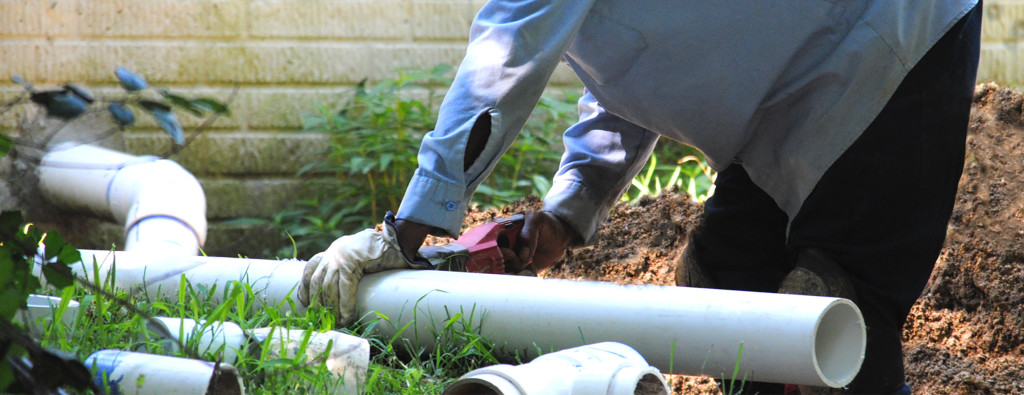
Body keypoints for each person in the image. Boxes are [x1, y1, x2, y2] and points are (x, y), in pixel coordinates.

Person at [299, 1, 982, 393]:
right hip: (797, 91)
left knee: (834, 301)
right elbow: (632, 69)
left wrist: (402, 233)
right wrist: (568, 212)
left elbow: (502, 61)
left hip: (899, 36)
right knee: (727, 281)